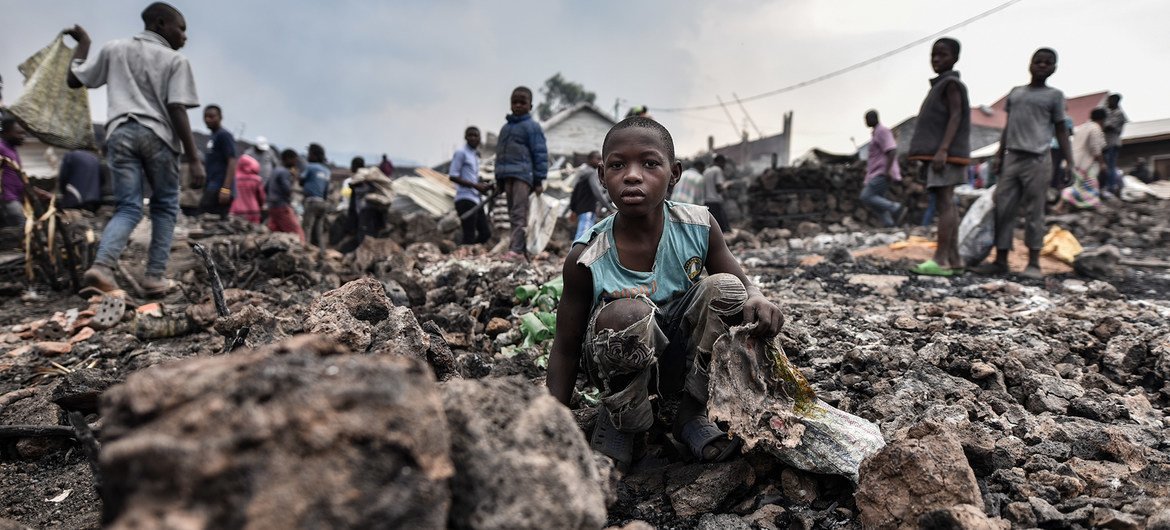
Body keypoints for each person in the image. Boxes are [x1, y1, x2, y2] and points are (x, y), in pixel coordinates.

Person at [545, 117, 784, 471]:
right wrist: (551, 427)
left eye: (649, 163)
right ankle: (623, 423)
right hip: (618, 363)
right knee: (627, 313)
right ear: (602, 176)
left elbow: (742, 285)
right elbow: (565, 347)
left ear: (674, 174)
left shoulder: (699, 227)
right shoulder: (587, 256)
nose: (632, 175)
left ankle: (689, 415)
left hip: (680, 359)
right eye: (617, 165)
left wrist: (756, 296)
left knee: (727, 290)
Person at [65, 2, 205, 298]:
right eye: (181, 29)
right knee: (165, 205)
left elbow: (74, 79)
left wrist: (85, 44)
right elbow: (177, 107)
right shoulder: (174, 61)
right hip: (158, 135)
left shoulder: (115, 48)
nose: (184, 36)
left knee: (128, 206)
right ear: (159, 24)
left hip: (119, 133)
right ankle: (154, 277)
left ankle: (102, 268)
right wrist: (194, 159)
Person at [973, 48, 1075, 280]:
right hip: (1012, 157)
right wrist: (999, 154)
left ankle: (1033, 262)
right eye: (1038, 61)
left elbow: (1060, 129)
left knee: (1034, 211)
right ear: (1030, 64)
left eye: (1047, 63)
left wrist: (1069, 161)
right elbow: (1009, 127)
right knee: (1003, 208)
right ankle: (1000, 259)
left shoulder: (1054, 96)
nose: (1041, 65)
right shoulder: (1016, 93)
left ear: (1054, 69)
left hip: (1038, 159)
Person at [907, 38, 970, 276]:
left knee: (945, 203)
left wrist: (943, 149)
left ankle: (941, 258)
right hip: (941, 153)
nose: (936, 59)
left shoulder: (952, 84)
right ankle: (954, 259)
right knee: (947, 202)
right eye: (934, 55)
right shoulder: (940, 85)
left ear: (955, 58)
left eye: (942, 55)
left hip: (945, 154)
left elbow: (956, 116)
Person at [494, 86, 548, 261]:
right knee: (513, 213)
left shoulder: (532, 127)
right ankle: (520, 250)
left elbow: (540, 154)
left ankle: (516, 250)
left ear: (530, 106)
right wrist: (499, 179)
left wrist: (539, 179)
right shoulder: (505, 128)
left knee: (519, 213)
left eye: (522, 102)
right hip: (507, 176)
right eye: (514, 102)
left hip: (523, 176)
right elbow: (500, 155)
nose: (517, 105)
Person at [860, 110, 905, 228]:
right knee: (878, 201)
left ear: (874, 118)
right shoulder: (875, 133)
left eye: (867, 119)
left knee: (866, 196)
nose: (866, 122)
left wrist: (887, 171)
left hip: (881, 172)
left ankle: (895, 208)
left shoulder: (882, 131)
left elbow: (891, 150)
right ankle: (889, 223)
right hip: (875, 172)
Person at [1056, 108, 1107, 211]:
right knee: (1087, 186)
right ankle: (1061, 205)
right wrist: (1102, 163)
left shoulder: (1084, 127)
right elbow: (1096, 148)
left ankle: (1064, 205)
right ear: (1103, 119)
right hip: (1085, 163)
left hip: (1074, 161)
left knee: (1082, 186)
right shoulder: (1095, 128)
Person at [449, 126, 492, 245]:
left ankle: (469, 252)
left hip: (475, 199)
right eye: (470, 135)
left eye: (475, 135)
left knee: (485, 233)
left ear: (480, 138)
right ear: (465, 137)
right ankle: (464, 258)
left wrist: (482, 186)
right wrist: (475, 185)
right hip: (464, 198)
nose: (473, 138)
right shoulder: (461, 153)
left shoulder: (475, 155)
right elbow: (453, 175)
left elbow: (471, 177)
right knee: (469, 234)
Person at [199, 104, 237, 219]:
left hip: (219, 188)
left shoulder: (224, 135)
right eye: (205, 117)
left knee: (207, 216)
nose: (207, 120)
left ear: (220, 117)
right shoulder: (213, 136)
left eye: (211, 116)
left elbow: (232, 161)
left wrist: (226, 188)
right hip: (211, 185)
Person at [568, 151, 609, 239]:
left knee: (583, 233)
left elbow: (575, 192)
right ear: (590, 160)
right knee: (583, 235)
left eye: (601, 159)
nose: (600, 161)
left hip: (582, 209)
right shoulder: (591, 173)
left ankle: (577, 252)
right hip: (587, 209)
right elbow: (598, 192)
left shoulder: (582, 172)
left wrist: (573, 208)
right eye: (598, 159)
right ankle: (577, 253)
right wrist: (609, 207)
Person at [266, 149, 304, 242]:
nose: (296, 162)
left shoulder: (275, 171)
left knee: (276, 231)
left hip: (272, 206)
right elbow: (287, 190)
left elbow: (266, 187)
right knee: (297, 232)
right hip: (282, 206)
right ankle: (301, 251)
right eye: (294, 159)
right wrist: (294, 178)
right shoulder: (285, 172)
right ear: (288, 159)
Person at [300, 143, 331, 248]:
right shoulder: (326, 171)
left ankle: (305, 250)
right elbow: (326, 190)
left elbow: (301, 180)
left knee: (306, 228)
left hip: (311, 201)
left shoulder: (310, 167)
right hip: (322, 202)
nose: (308, 156)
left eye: (309, 154)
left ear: (314, 155)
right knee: (318, 230)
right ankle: (321, 252)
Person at [0, 116, 27, 228]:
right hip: (7, 199)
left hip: (16, 198)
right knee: (22, 226)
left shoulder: (12, 149)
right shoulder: (1, 147)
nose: (23, 137)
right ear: (6, 133)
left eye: (23, 133)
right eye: (19, 133)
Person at [1101, 93, 1127, 196]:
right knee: (1105, 166)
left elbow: (1108, 126)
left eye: (1109, 101)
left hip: (1112, 143)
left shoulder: (1119, 114)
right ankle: (1106, 186)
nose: (1107, 103)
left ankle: (1111, 187)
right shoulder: (1108, 111)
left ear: (1115, 101)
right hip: (1105, 143)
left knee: (1110, 167)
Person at [229, 154, 264, 223]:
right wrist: (260, 206)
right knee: (253, 232)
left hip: (236, 211)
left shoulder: (233, 178)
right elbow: (261, 198)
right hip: (253, 211)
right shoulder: (257, 180)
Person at [702, 154, 730, 232]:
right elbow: (719, 188)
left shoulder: (706, 171)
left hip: (706, 202)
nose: (724, 166)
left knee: (712, 229)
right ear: (721, 162)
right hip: (715, 202)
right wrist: (727, 185)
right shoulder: (718, 170)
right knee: (723, 230)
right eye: (724, 163)